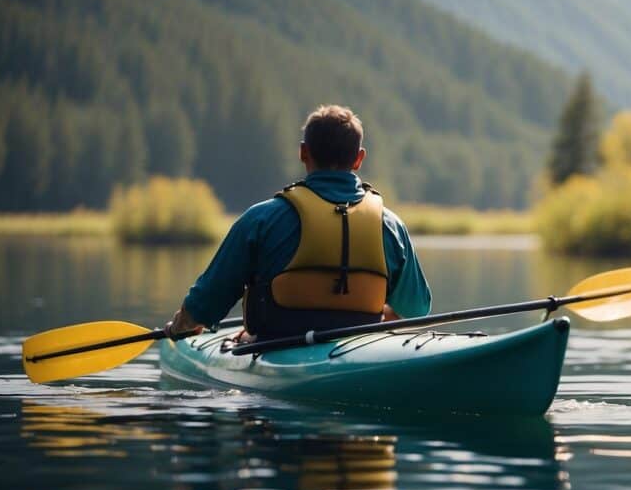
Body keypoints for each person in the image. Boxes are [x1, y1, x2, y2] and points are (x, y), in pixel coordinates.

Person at [164, 105, 431, 341]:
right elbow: (417, 309)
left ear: (304, 153)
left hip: (275, 343)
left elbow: (205, 304)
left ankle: (250, 338)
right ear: (359, 159)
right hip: (358, 347)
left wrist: (182, 325)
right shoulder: (391, 225)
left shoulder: (261, 219)